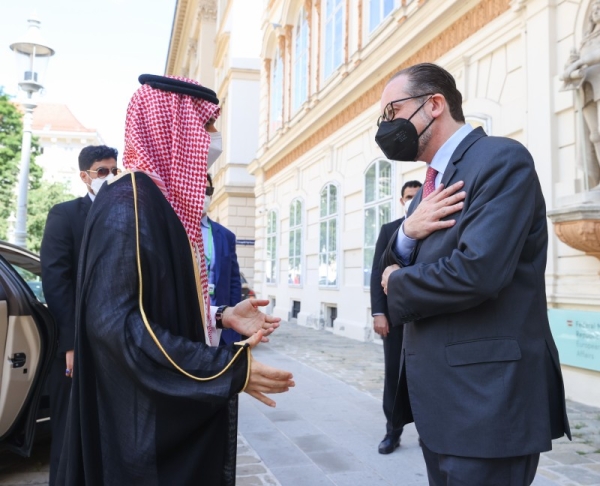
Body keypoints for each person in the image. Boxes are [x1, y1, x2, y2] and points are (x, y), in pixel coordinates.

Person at [56, 74, 294, 486]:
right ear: (174, 130)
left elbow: (155, 300)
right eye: (206, 127)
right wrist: (226, 370)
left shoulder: (155, 203)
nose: (215, 140)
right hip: (141, 427)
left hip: (157, 415)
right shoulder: (128, 205)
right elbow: (118, 328)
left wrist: (220, 316)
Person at [375, 63, 570, 485]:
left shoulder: (500, 159)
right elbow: (399, 254)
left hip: (486, 404)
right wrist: (407, 232)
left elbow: (477, 271)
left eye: (393, 111)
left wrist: (396, 282)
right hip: (441, 405)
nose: (387, 126)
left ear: (434, 105)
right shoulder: (428, 188)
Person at [40, 144, 119, 486]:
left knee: (106, 435)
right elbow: (56, 281)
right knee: (70, 434)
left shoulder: (125, 216)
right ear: (84, 176)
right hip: (75, 346)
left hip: (114, 344)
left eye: (115, 171)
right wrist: (71, 343)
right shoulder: (65, 214)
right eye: (103, 171)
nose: (110, 177)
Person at [370, 179, 421, 455]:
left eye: (417, 195)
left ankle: (429, 431)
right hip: (395, 319)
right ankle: (393, 431)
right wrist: (379, 312)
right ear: (402, 200)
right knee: (394, 374)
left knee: (428, 375)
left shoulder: (434, 226)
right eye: (408, 196)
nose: (412, 200)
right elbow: (378, 273)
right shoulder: (389, 230)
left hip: (427, 317)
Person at [561, 0, 600, 188]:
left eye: (599, 8)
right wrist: (571, 63)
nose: (596, 11)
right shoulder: (586, 40)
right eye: (594, 9)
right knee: (594, 135)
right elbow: (572, 66)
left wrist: (580, 63)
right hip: (589, 90)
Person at [201, 173, 243, 345]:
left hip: (220, 326)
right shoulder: (175, 230)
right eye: (199, 189)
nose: (203, 195)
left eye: (207, 190)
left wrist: (233, 325)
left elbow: (234, 282)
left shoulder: (225, 236)